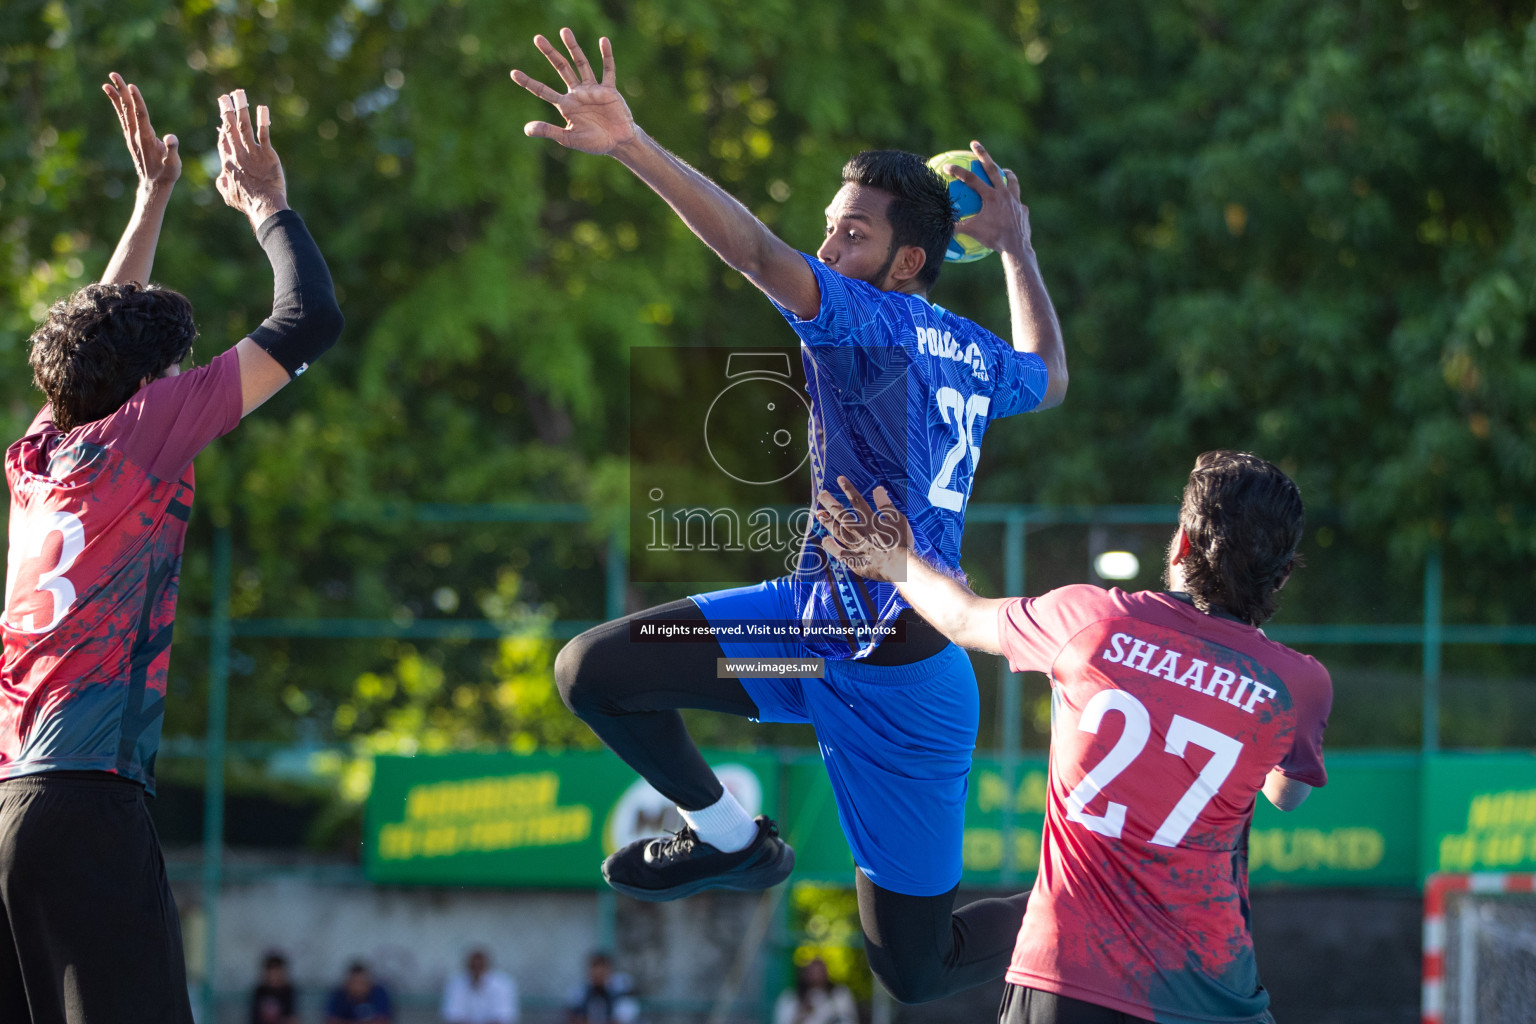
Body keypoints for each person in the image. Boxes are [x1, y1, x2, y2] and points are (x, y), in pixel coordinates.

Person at [516, 29, 1066, 1003]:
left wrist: (634, 144)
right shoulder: (970, 348)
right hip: (815, 631)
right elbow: (1052, 377)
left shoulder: (873, 317)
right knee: (594, 671)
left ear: (908, 264)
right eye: (830, 225)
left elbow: (754, 252)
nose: (826, 248)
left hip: (898, 680)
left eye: (851, 234)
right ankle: (733, 840)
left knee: (915, 967)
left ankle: (1102, 892)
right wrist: (1018, 249)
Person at [0, 74, 343, 1024]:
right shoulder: (144, 427)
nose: (188, 380)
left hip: (11, 806)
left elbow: (92, 340)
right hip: (87, 803)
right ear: (147, 384)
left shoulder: (39, 453)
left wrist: (151, 198)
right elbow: (308, 319)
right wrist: (269, 204)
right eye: (174, 369)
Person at [816, 450, 1333, 1024]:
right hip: (1208, 995)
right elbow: (1287, 792)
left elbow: (960, 618)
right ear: (1282, 575)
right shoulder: (1297, 684)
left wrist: (893, 559)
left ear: (1182, 543)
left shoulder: (1086, 619)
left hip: (1063, 980)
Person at [442, 948, 519, 1024]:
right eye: (473, 966)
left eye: (480, 966)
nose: (476, 970)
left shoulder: (503, 984)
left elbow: (503, 1018)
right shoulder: (455, 984)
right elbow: (453, 1017)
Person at [773, 958, 857, 1024]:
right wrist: (802, 1013)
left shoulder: (840, 995)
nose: (816, 976)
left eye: (820, 971)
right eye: (812, 972)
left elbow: (848, 1019)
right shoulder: (790, 999)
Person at [566, 953, 639, 1024]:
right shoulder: (580, 991)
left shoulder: (621, 991)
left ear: (610, 972)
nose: (598, 978)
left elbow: (623, 1019)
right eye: (595, 975)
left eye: (602, 974)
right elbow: (572, 1017)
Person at [327, 962, 394, 1024]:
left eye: (362, 983)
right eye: (354, 982)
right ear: (347, 983)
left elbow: (383, 1020)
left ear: (369, 983)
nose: (358, 987)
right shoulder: (338, 995)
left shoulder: (379, 993)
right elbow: (331, 1020)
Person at [251, 951, 299, 1024]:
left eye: (277, 972)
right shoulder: (259, 992)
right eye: (271, 972)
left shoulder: (289, 991)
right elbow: (253, 1019)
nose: (274, 976)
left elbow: (293, 1019)